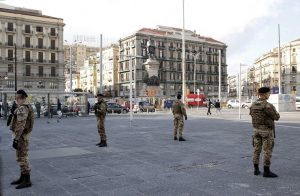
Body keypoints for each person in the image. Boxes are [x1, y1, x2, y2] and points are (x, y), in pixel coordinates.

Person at [250, 87, 280, 178]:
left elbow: (252, 115)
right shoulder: (268, 106)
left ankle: (256, 170)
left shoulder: (253, 105)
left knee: (256, 150)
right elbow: (276, 117)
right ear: (264, 94)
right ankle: (266, 171)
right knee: (267, 151)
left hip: (256, 130)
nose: (269, 95)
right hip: (266, 131)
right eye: (268, 93)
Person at [10, 89, 35, 189]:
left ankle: (27, 180)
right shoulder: (24, 106)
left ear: (21, 98)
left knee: (22, 157)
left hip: (21, 137)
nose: (16, 100)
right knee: (21, 156)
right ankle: (22, 177)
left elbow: (21, 125)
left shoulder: (23, 108)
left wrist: (16, 139)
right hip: (23, 136)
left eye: (17, 98)